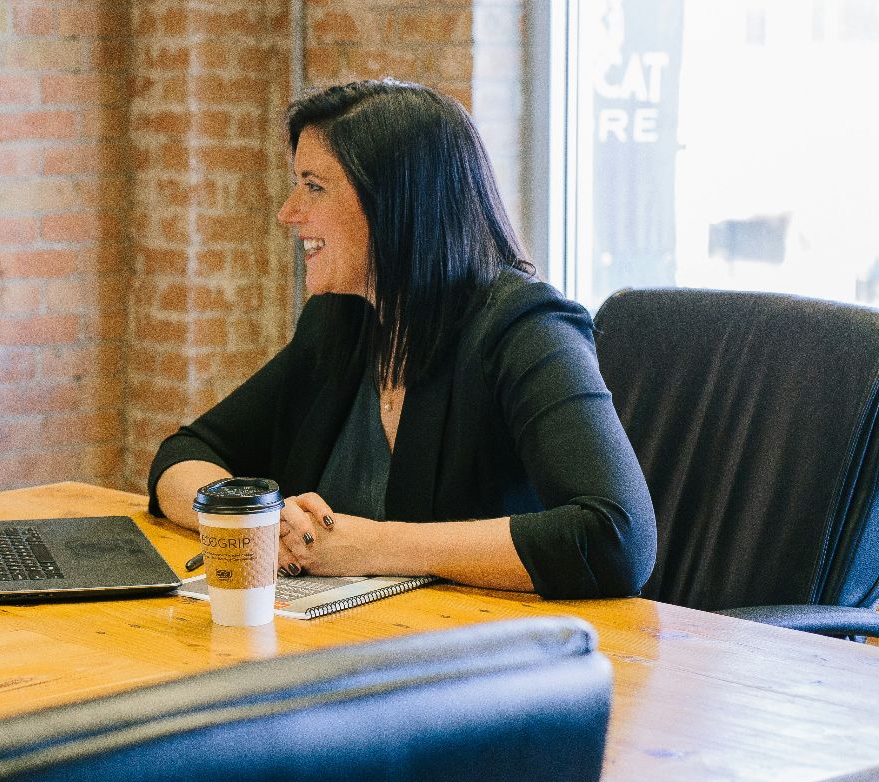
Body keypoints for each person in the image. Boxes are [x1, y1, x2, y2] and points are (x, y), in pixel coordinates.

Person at [148, 79, 655, 599]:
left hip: (487, 656)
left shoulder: (527, 328)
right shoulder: (340, 321)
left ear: (395, 204)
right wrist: (255, 522)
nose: (288, 212)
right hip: (360, 647)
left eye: (313, 186)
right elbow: (186, 453)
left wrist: (368, 546)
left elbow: (616, 538)